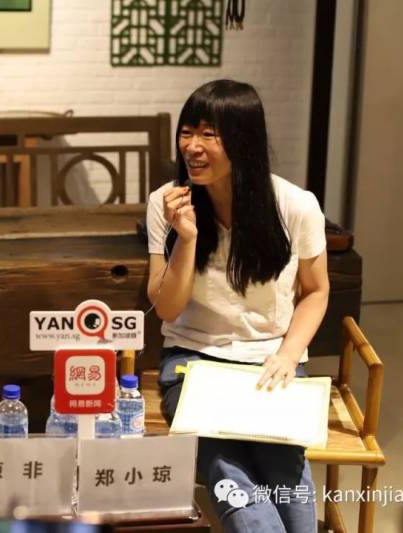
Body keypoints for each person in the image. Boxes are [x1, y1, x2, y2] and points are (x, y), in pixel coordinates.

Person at [146, 79, 329, 532]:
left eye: (209, 134)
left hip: (271, 360)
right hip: (193, 360)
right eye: (187, 132)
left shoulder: (295, 206)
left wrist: (288, 355)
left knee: (282, 464)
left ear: (243, 140)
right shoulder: (166, 204)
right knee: (224, 462)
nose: (192, 146)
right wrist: (186, 237)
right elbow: (167, 309)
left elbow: (315, 291)